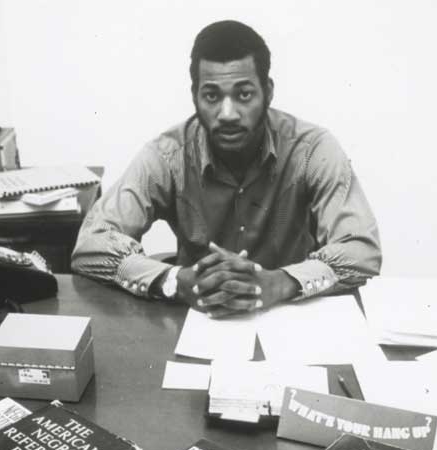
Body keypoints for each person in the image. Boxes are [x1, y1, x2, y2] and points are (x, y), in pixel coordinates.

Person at [71, 20, 381, 318]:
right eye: (212, 96)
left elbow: (361, 250)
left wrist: (279, 282)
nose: (228, 113)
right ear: (194, 96)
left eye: (244, 94)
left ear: (268, 92)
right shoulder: (168, 156)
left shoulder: (312, 150)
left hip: (291, 318)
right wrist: (175, 280)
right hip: (199, 318)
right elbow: (91, 243)